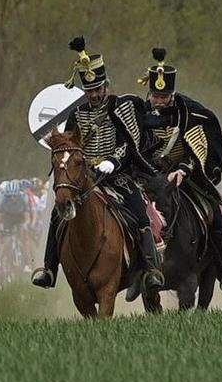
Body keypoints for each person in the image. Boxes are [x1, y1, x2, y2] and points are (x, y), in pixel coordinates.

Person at [31, 37, 164, 294]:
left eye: (97, 89)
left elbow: (130, 142)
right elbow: (68, 146)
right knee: (58, 214)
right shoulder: (76, 114)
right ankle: (49, 269)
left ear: (106, 86)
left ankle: (149, 271)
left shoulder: (119, 107)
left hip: (118, 177)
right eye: (89, 91)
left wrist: (112, 161)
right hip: (85, 179)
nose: (93, 95)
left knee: (139, 214)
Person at [138, 47, 222, 297]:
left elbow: (198, 151)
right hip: (151, 178)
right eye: (155, 95)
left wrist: (183, 170)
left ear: (172, 94)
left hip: (186, 177)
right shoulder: (141, 113)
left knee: (214, 212)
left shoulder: (189, 113)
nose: (159, 100)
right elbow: (136, 147)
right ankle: (135, 274)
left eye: (164, 96)